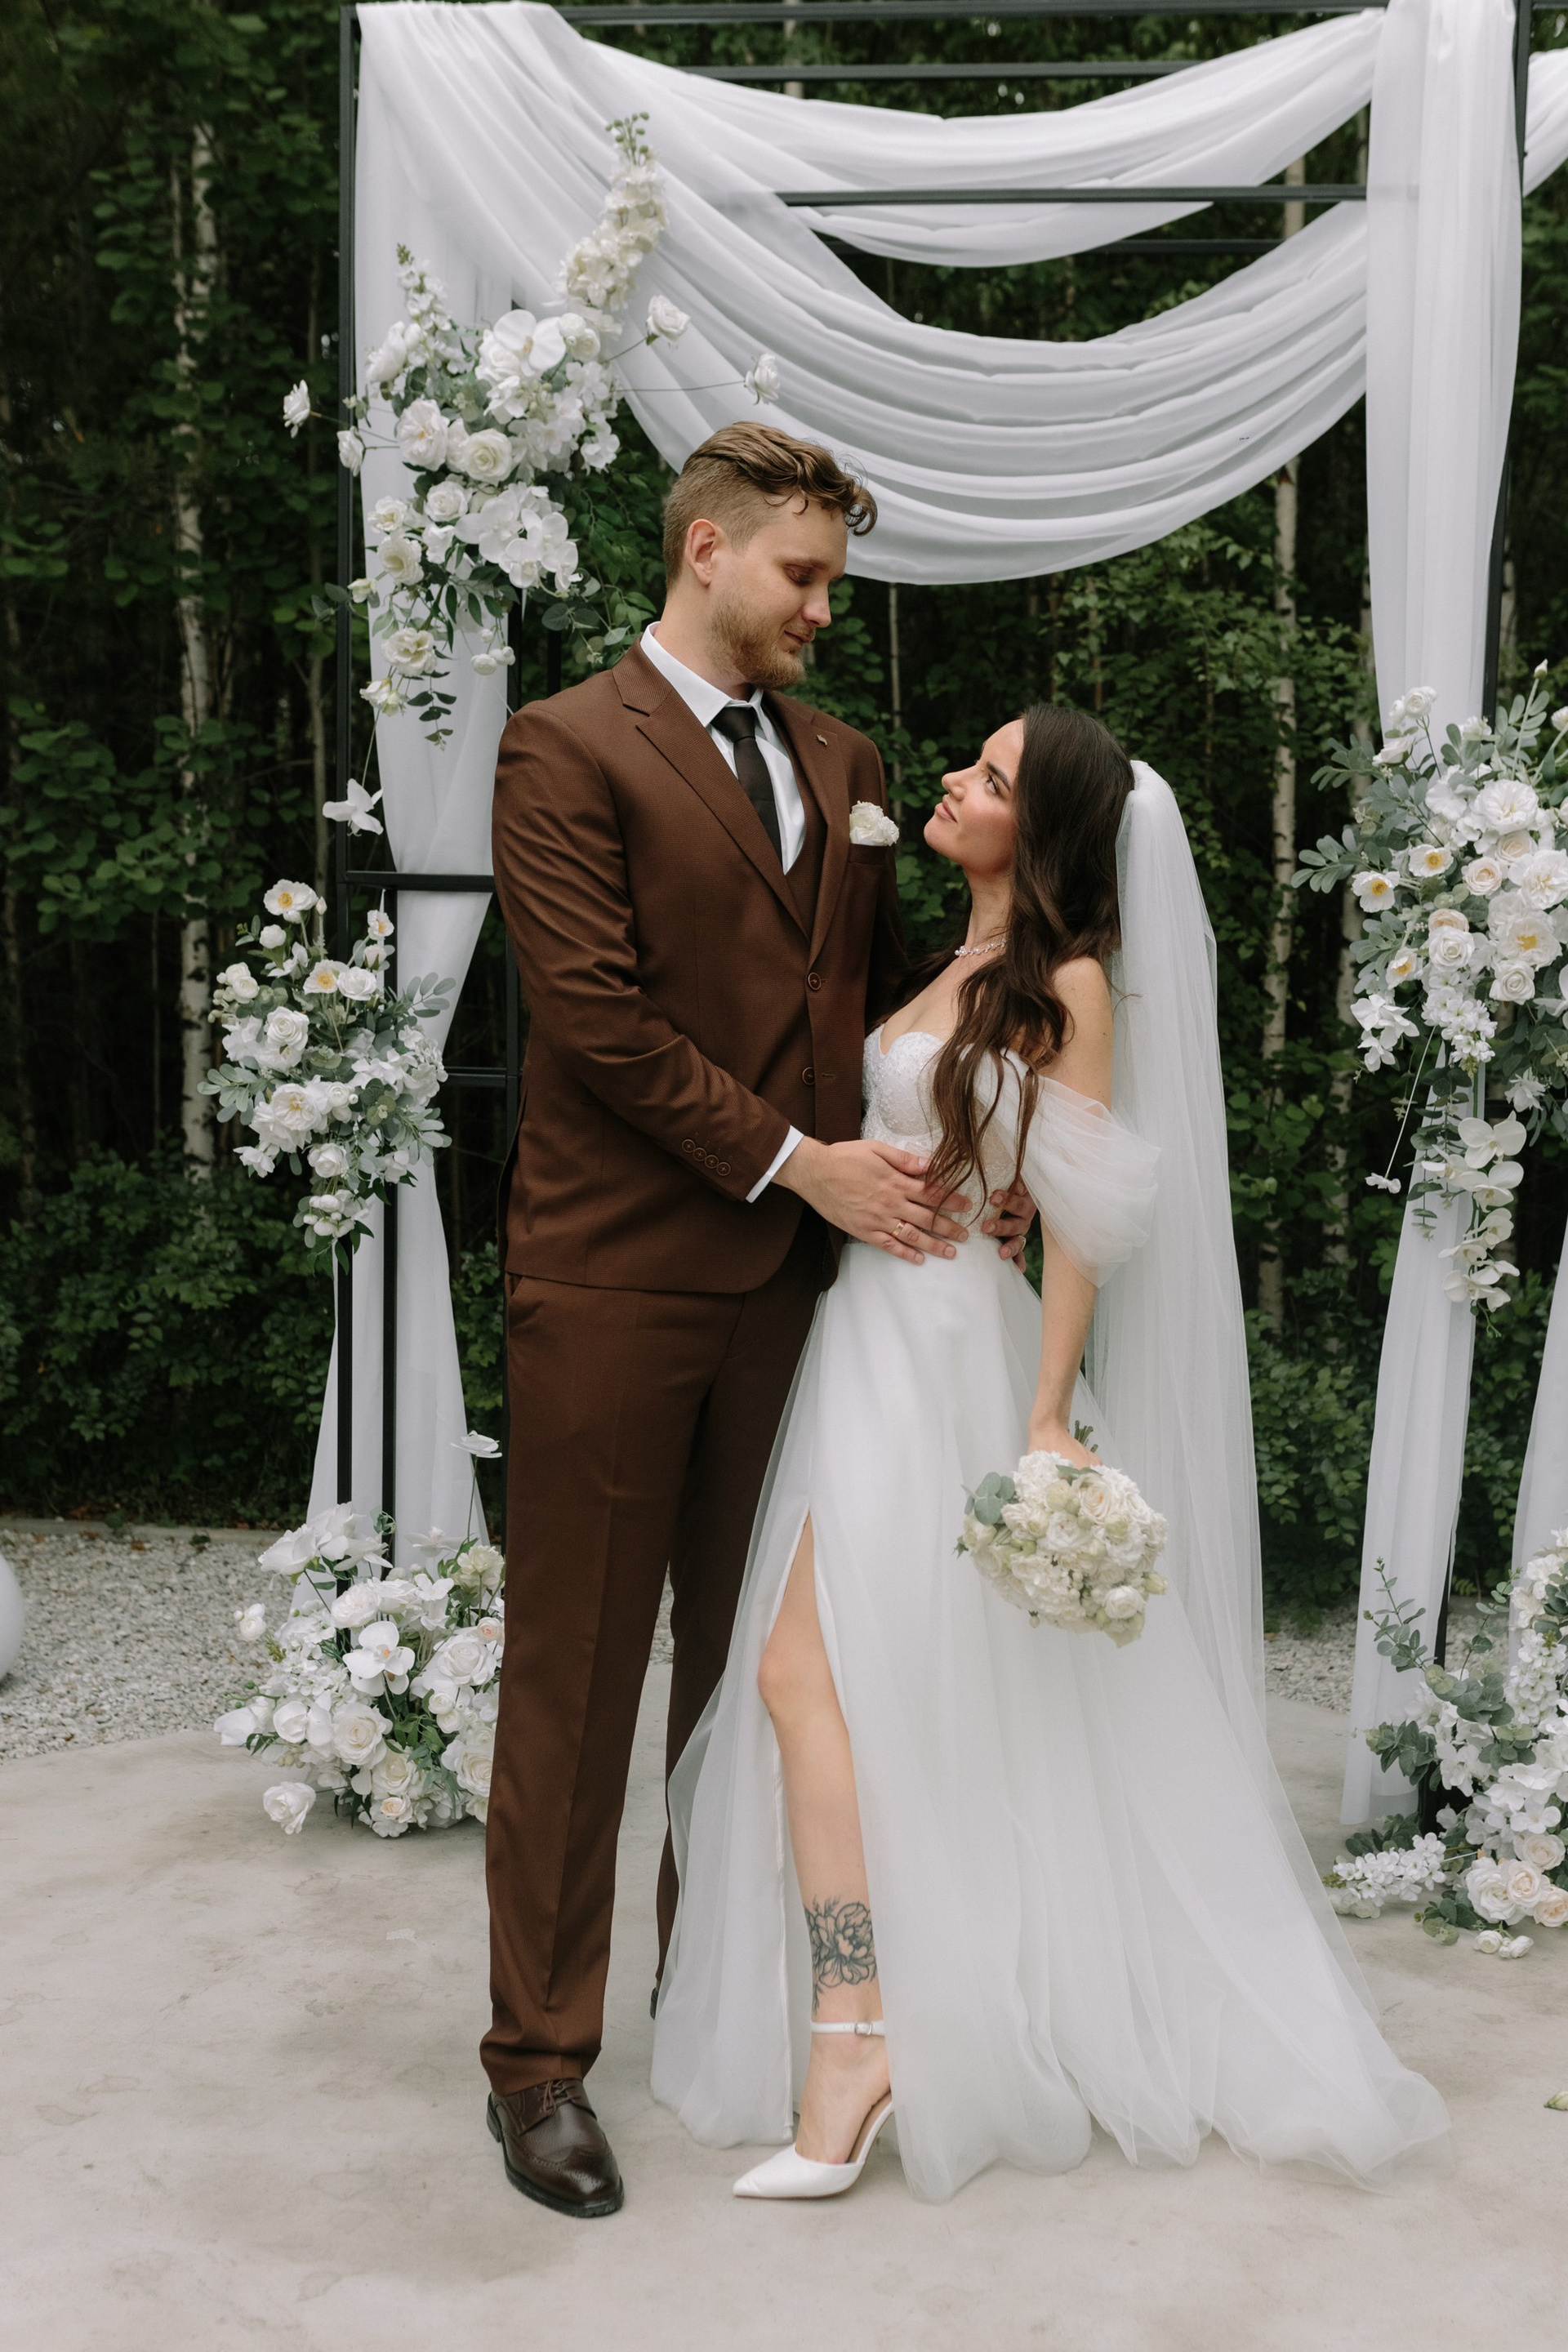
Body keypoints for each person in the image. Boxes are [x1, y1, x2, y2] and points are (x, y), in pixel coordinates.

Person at [652, 704, 1451, 2202]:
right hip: (866, 1334)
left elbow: (1083, 1210)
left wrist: (1045, 1414)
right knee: (853, 1679)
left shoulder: (1070, 984)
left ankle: (860, 2034)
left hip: (953, 1344)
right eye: (974, 763)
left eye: (994, 778)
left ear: (1046, 831)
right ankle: (873, 2017)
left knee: (815, 1673)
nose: (957, 782)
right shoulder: (939, 960)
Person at [483, 422, 1034, 2217]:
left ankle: (708, 2002)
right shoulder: (565, 746)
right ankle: (539, 2064)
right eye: (802, 576)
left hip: (804, 1302)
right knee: (579, 1678)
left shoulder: (847, 760)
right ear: (705, 550)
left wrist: (1005, 1142)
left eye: (833, 583)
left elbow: (873, 1004)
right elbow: (596, 1022)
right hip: (617, 1278)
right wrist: (806, 1167)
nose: (821, 609)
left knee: (755, 1684)